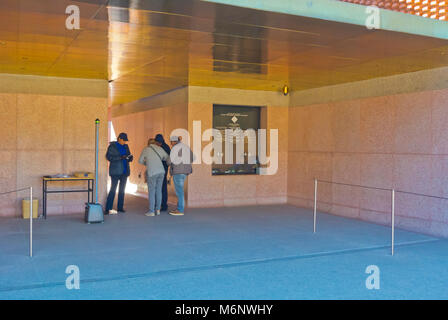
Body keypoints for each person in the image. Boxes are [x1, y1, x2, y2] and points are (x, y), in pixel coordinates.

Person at [139, 138, 171, 216]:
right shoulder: (159, 148)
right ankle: (158, 210)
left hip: (152, 172)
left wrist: (148, 163)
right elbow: (168, 159)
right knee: (159, 190)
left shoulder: (146, 149)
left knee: (152, 191)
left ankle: (151, 211)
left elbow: (140, 160)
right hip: (161, 171)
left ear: (148, 143)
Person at [105, 132, 133, 214]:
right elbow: (108, 157)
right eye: (124, 140)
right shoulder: (112, 146)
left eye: (126, 141)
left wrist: (130, 158)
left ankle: (120, 207)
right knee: (113, 189)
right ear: (119, 138)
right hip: (115, 171)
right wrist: (120, 157)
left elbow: (128, 155)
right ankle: (108, 208)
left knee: (122, 190)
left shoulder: (126, 146)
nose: (125, 142)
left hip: (125, 171)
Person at [169, 136, 194, 216]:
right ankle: (179, 208)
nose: (170, 144)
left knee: (179, 192)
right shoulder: (186, 147)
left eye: (171, 142)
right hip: (185, 172)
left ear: (174, 141)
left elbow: (169, 161)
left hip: (177, 172)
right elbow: (192, 158)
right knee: (180, 190)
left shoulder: (175, 148)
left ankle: (180, 210)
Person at [155, 134, 171, 211]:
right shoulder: (167, 147)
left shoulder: (159, 148)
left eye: (158, 142)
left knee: (159, 187)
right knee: (163, 187)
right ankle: (163, 205)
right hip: (164, 170)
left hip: (160, 169)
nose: (158, 143)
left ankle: (160, 204)